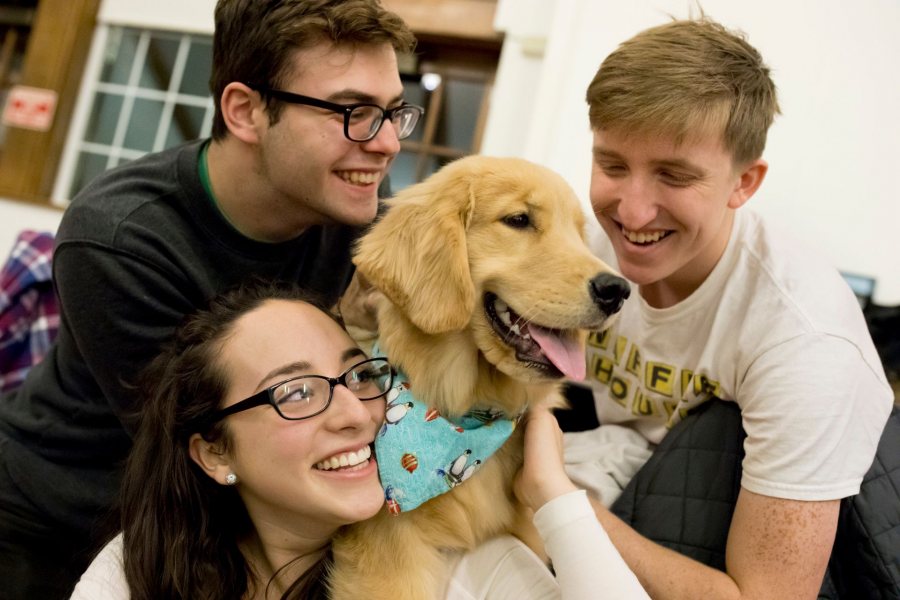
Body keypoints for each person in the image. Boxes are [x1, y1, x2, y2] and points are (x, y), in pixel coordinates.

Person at [0, 1, 420, 597]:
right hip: (55, 519)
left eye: (392, 113)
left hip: (215, 522)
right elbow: (206, 448)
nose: (386, 145)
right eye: (352, 112)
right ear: (246, 110)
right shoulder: (119, 238)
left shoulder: (355, 217)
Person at [569, 15, 895, 599]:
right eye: (613, 165)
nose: (633, 213)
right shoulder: (584, 252)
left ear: (744, 182)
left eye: (674, 176)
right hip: (634, 493)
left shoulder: (803, 340)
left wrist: (556, 504)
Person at [69, 280, 649, 599]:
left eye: (361, 374)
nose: (355, 413)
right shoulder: (141, 567)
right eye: (295, 392)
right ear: (215, 451)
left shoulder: (464, 571)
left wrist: (551, 491)